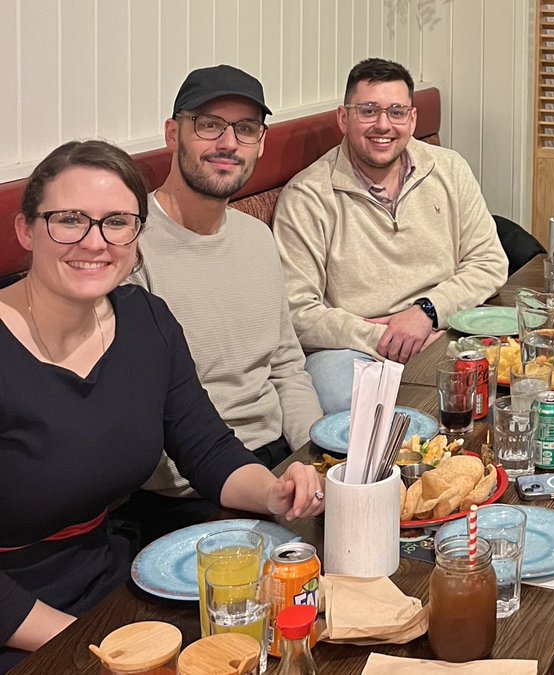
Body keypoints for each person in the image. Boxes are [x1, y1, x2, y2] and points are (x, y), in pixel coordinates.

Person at [0, 140, 325, 673]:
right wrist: (85, 645)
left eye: (117, 222)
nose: (94, 242)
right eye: (69, 220)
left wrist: (273, 491)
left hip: (107, 582)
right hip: (19, 619)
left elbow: (205, 446)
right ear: (26, 230)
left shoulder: (145, 321)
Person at [118, 65, 324, 545]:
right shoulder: (128, 244)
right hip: (188, 490)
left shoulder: (256, 238)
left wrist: (311, 457)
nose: (228, 142)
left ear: (261, 143)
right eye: (209, 124)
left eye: (246, 129)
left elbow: (287, 366)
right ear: (174, 134)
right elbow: (141, 412)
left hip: (277, 462)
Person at [273, 58, 508, 413]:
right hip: (352, 348)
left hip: (444, 326)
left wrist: (427, 312)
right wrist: (389, 337)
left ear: (412, 119)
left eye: (396, 112)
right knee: (341, 398)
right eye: (368, 111)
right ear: (343, 118)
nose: (383, 125)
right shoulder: (307, 196)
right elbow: (297, 313)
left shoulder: (448, 168)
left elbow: (489, 261)